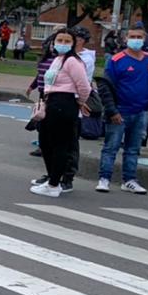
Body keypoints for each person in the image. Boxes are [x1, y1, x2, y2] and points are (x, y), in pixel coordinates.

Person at [95, 26, 148, 193]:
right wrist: (112, 110)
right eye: (132, 36)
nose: (136, 40)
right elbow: (106, 86)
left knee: (133, 148)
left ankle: (129, 180)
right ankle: (104, 178)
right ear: (126, 39)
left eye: (139, 37)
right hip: (120, 110)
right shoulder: (116, 60)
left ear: (144, 40)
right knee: (111, 147)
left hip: (141, 111)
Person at [30, 27, 91, 198]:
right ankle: (52, 177)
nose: (62, 44)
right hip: (51, 102)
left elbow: (84, 87)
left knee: (59, 144)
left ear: (73, 44)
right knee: (45, 142)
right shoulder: (58, 59)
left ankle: (54, 183)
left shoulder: (72, 61)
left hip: (64, 103)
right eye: (59, 40)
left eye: (67, 41)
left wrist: (79, 102)